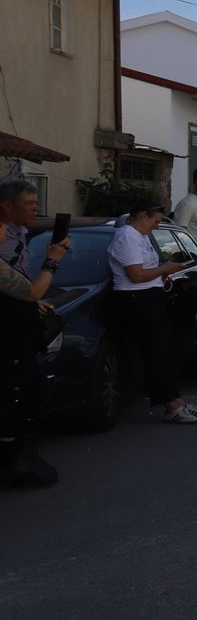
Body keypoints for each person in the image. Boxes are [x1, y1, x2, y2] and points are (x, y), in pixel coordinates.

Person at [108, 200, 197, 424]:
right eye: (155, 221)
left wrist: (163, 271)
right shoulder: (127, 236)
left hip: (150, 295)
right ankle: (169, 404)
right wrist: (165, 268)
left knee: (165, 350)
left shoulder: (142, 236)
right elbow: (136, 275)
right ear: (143, 215)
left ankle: (177, 400)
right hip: (135, 298)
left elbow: (148, 269)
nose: (156, 226)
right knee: (155, 352)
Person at [0, 177, 65, 487]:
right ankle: (16, 462)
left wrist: (33, 304)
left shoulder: (18, 232)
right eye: (29, 204)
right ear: (7, 208)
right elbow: (30, 290)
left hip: (17, 321)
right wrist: (53, 259)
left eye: (36, 203)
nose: (35, 209)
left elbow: (23, 285)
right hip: (5, 329)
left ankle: (21, 458)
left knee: (25, 389)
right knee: (20, 390)